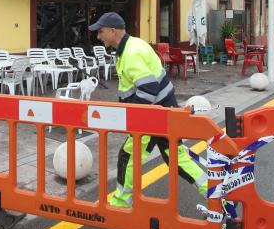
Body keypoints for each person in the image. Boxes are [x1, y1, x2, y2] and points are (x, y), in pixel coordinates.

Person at [88, 11, 207, 208]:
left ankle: (121, 202)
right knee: (176, 158)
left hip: (153, 115)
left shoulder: (131, 53)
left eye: (101, 32)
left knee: (128, 155)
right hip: (162, 110)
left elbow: (148, 88)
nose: (98, 37)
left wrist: (136, 120)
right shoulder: (132, 45)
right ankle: (215, 194)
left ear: (113, 31)